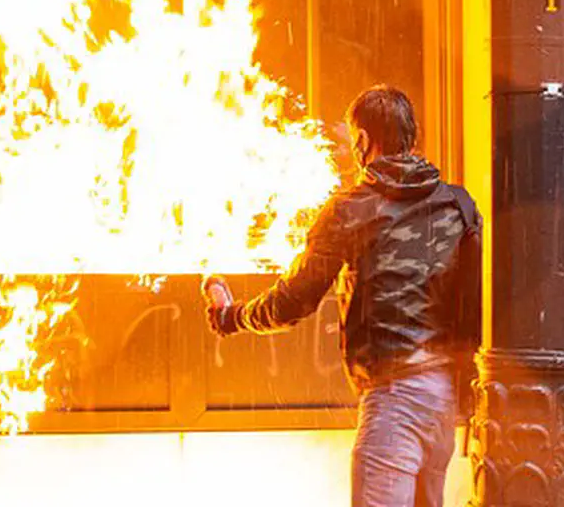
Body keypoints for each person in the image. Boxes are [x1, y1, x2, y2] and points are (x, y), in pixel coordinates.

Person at [205, 85, 480, 507]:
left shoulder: (351, 209)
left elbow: (293, 301)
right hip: (443, 399)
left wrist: (232, 315)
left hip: (394, 401)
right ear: (412, 135)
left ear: (364, 141)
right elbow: (478, 298)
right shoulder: (458, 205)